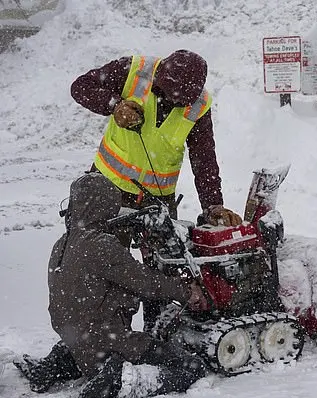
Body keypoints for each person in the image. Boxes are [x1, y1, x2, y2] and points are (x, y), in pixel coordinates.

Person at [71, 49, 242, 329]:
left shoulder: (198, 104)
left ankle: (156, 334)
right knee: (106, 268)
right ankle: (108, 338)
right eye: (169, 96)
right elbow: (81, 87)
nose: (174, 104)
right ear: (160, 77)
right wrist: (114, 104)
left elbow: (204, 159)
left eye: (181, 101)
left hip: (157, 202)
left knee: (163, 271)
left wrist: (213, 206)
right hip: (107, 192)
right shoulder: (132, 72)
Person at [21, 173, 208, 398]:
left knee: (87, 343)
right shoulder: (101, 245)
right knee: (191, 367)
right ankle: (120, 382)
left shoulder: (62, 243)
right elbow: (147, 283)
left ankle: (52, 367)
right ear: (107, 205)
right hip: (109, 341)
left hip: (76, 340)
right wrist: (185, 291)